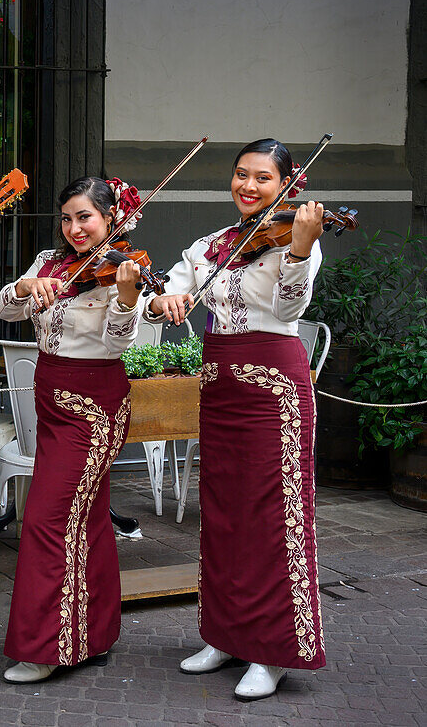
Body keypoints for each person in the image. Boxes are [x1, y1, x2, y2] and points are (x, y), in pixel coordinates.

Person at [147, 138, 326, 700]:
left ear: (287, 185)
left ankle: (271, 651)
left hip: (274, 388)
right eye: (241, 175)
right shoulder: (211, 245)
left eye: (263, 178)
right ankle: (224, 634)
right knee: (221, 514)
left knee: (272, 519)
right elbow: (171, 286)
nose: (248, 186)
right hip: (220, 386)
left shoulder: (296, 240)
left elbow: (290, 309)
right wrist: (163, 302)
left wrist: (298, 252)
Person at [0, 176, 144, 683]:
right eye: (67, 217)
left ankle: (46, 646)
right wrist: (23, 286)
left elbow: (120, 342)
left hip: (94, 404)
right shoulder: (49, 263)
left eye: (86, 217)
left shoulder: (123, 270)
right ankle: (94, 635)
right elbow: (2, 310)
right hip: (50, 398)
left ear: (111, 219)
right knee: (91, 516)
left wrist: (124, 299)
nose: (75, 227)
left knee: (47, 516)